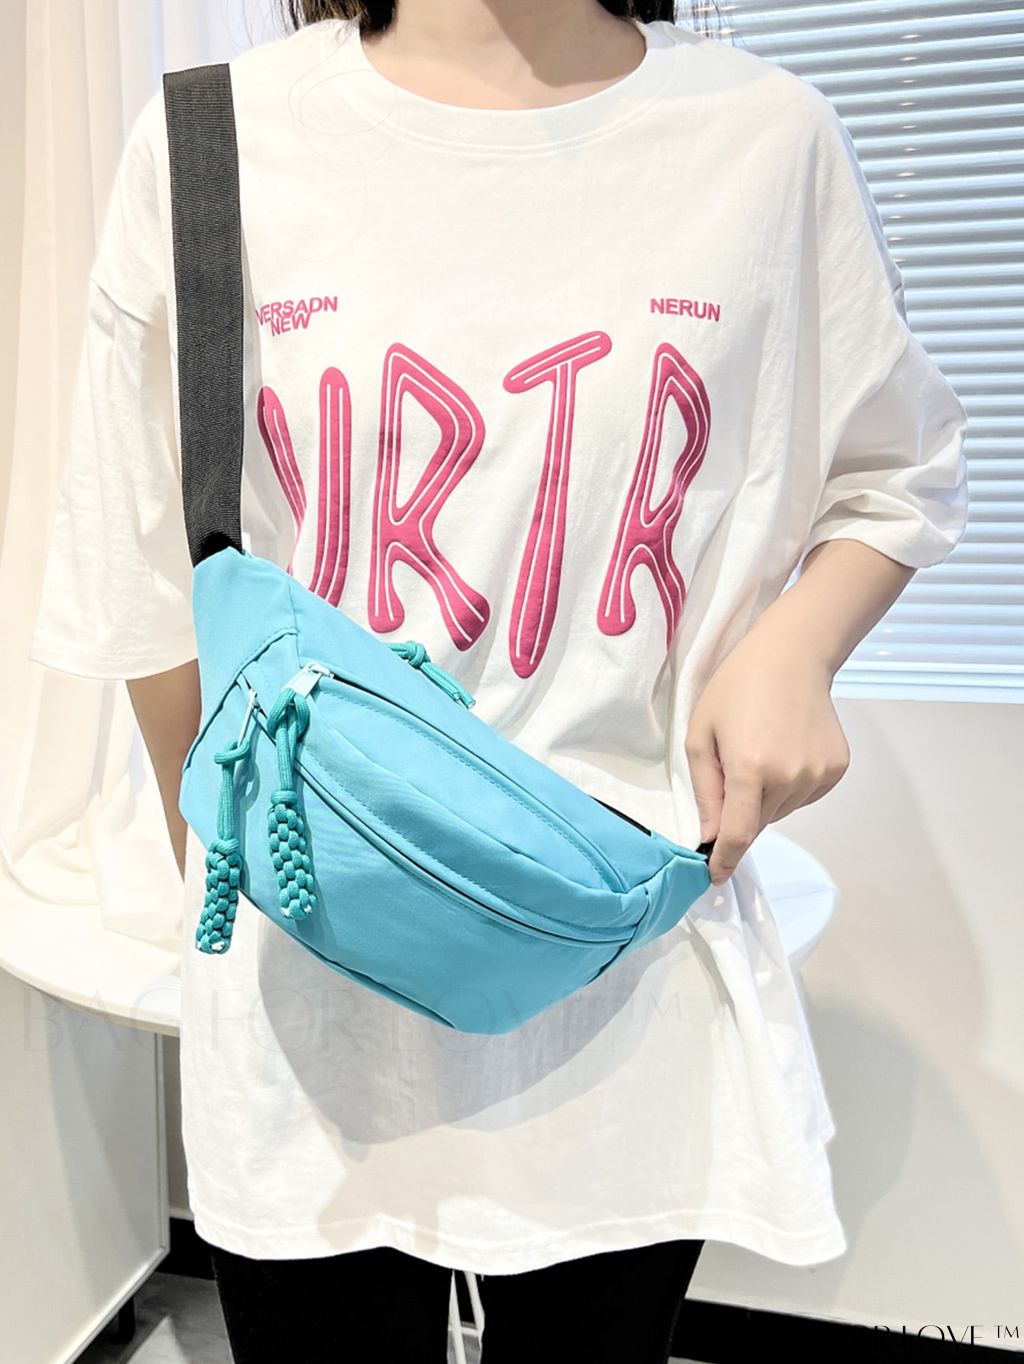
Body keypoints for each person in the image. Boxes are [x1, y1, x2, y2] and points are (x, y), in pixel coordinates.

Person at [29, 0, 970, 1360]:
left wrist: (798, 644)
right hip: (310, 1023)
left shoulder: (765, 143)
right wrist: (251, 886)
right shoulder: (214, 141)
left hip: (629, 991)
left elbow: (899, 470)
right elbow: (144, 588)